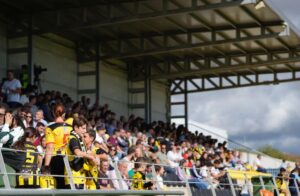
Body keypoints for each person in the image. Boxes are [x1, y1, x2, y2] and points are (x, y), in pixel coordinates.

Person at [43, 103, 73, 189]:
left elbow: (50, 148)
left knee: (58, 186)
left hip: (57, 159)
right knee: (67, 186)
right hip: (69, 158)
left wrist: (46, 166)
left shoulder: (50, 128)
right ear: (64, 114)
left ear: (53, 113)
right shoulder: (71, 127)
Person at [65, 117, 97, 189]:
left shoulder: (79, 139)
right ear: (76, 127)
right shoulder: (73, 138)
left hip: (80, 177)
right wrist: (91, 157)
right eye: (83, 128)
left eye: (85, 128)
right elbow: (78, 153)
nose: (85, 131)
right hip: (73, 176)